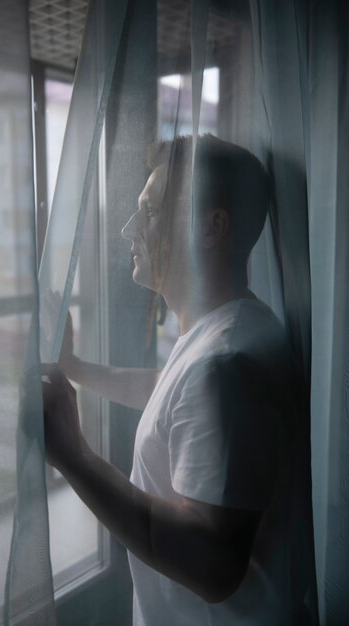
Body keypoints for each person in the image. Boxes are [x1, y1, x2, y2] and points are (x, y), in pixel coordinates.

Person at [41, 135, 314, 625]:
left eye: (150, 211)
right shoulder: (239, 326)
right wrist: (76, 368)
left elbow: (214, 568)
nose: (129, 228)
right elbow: (169, 395)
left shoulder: (224, 367)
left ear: (212, 228)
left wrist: (72, 456)